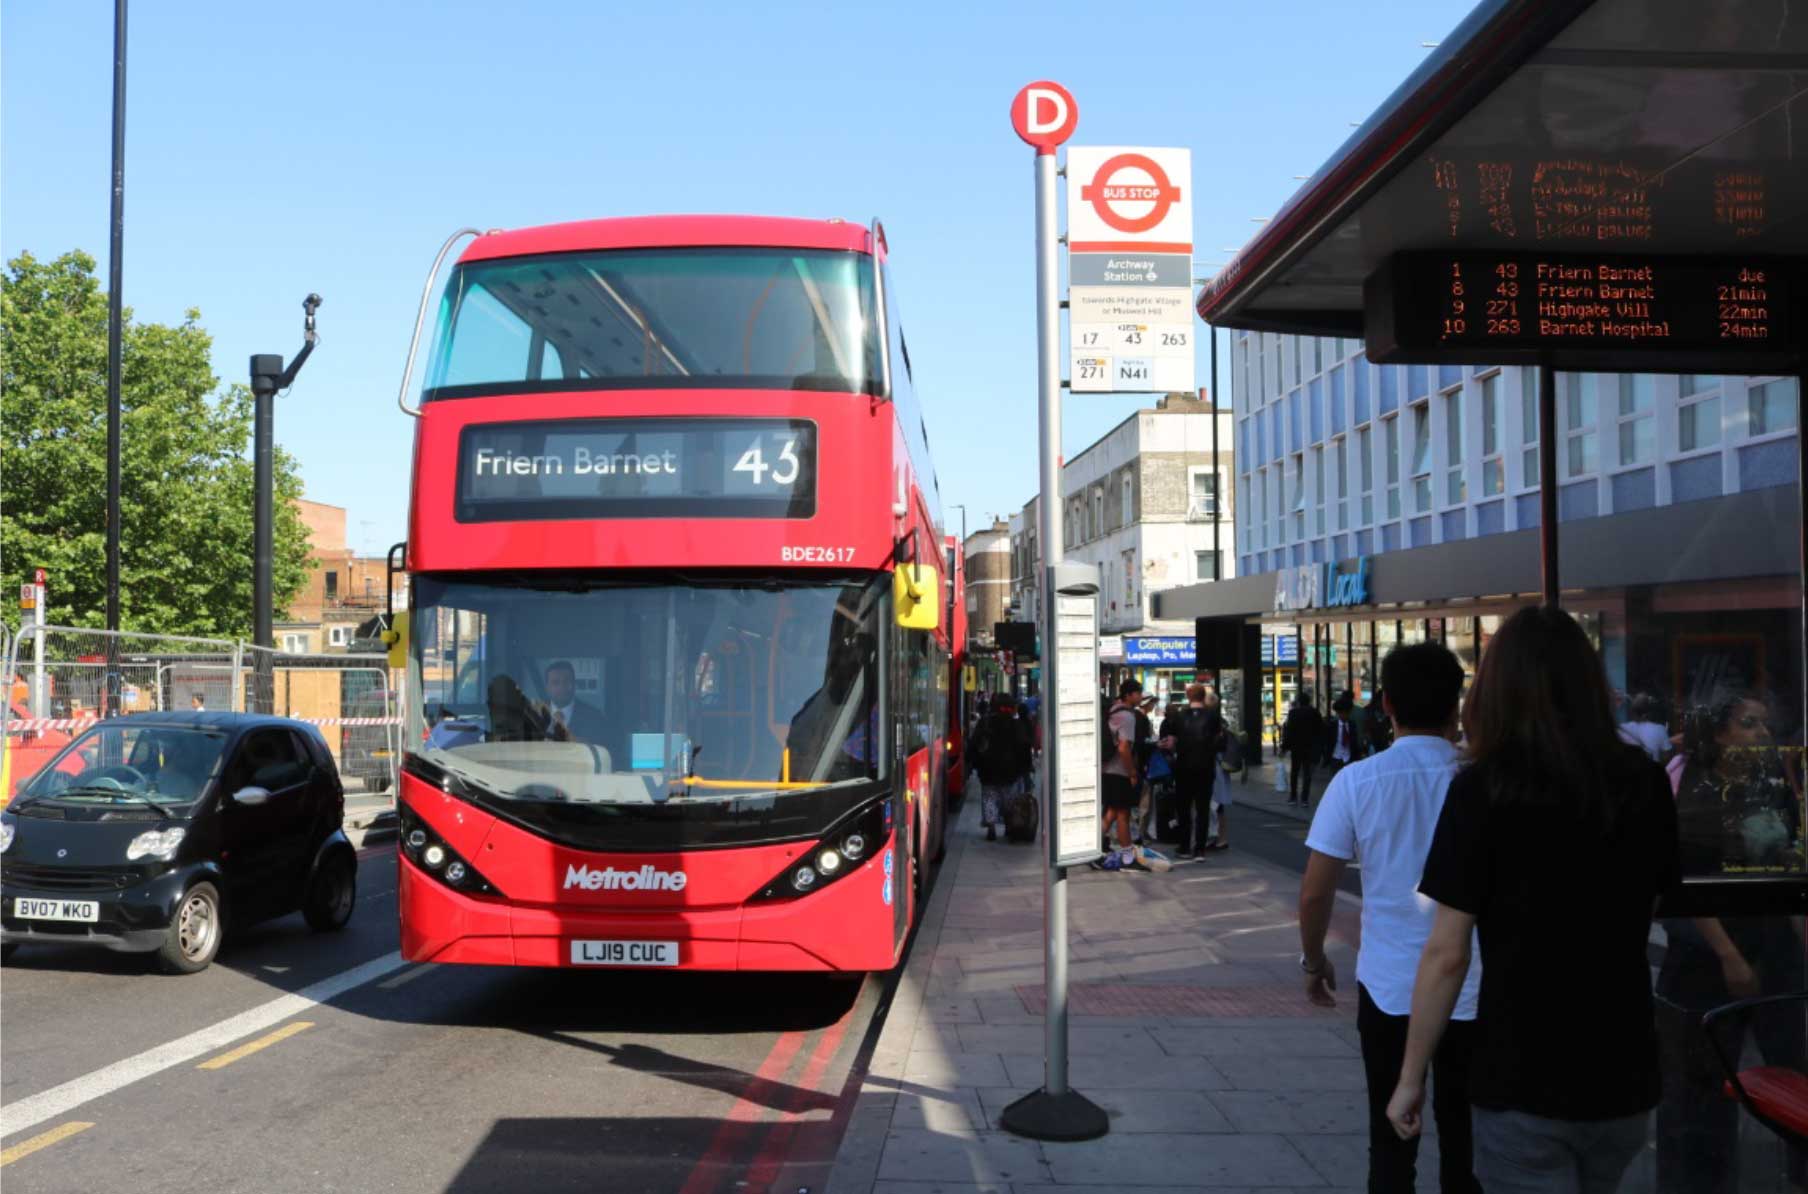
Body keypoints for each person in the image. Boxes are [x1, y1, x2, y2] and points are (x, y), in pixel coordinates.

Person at [1386, 606, 1679, 1192]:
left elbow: (1448, 951)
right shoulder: (1643, 780)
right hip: (1622, 1068)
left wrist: (1411, 1076)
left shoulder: (1484, 788)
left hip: (1522, 1071)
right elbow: (1647, 908)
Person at [1299, 642, 1479, 1194]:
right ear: (1457, 705)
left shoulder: (1357, 781)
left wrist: (1313, 961)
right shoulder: (1484, 779)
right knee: (1468, 1148)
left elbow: (1314, 892)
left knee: (1390, 1145)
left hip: (1390, 989)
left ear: (1385, 703)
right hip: (1478, 991)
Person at [1655, 688, 1805, 1194]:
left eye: (1764, 724)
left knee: (1792, 1074)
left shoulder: (1770, 786)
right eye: (1748, 724)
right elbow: (1686, 881)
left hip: (1773, 948)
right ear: (1718, 733)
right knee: (1700, 1091)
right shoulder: (1690, 791)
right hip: (1707, 956)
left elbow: (1788, 877)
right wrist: (1728, 954)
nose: (1761, 734)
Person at [1168, 683, 1225, 858]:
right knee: (1203, 808)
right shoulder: (1213, 716)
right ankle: (1200, 848)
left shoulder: (1179, 716)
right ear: (1203, 696)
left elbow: (1172, 742)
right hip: (1205, 767)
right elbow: (1220, 741)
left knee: (1184, 807)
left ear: (1188, 696)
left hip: (1183, 767)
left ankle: (1184, 846)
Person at [971, 695, 1032, 842]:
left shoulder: (985, 722)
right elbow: (1024, 747)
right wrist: (1026, 766)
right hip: (1011, 770)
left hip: (988, 769)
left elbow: (974, 744)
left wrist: (974, 762)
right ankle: (1008, 825)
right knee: (1009, 800)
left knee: (989, 798)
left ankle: (991, 826)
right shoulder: (1016, 725)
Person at [1100, 679, 1142, 853]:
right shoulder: (1127, 717)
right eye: (1138, 693)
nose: (1140, 697)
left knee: (1111, 812)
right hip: (1119, 771)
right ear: (1128, 695)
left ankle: (1092, 847)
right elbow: (1124, 747)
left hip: (1107, 768)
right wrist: (1132, 772)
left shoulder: (1112, 710)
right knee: (1123, 813)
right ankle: (1127, 855)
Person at [544, 660, 608, 745]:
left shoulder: (594, 718)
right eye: (555, 683)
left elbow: (605, 751)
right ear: (547, 687)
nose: (562, 687)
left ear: (574, 684)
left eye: (567, 681)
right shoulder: (532, 714)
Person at [1281, 694, 1326, 807]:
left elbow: (1289, 732)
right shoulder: (1315, 712)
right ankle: (1304, 798)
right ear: (1309, 701)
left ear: (1299, 702)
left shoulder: (1293, 713)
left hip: (1296, 748)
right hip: (1310, 747)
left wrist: (1284, 748)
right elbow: (1321, 731)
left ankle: (1293, 797)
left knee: (1294, 772)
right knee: (1307, 773)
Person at [1618, 692, 1670, 762]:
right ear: (1649, 712)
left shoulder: (1622, 728)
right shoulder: (1660, 729)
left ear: (1632, 711)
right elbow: (1666, 757)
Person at [1325, 692, 1360, 783]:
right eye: (1341, 713)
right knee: (1335, 781)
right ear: (1338, 713)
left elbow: (1354, 741)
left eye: (1346, 713)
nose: (1344, 715)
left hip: (1349, 758)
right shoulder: (1332, 726)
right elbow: (1328, 742)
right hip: (1335, 757)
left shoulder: (1352, 725)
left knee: (1349, 781)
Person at [1363, 687, 1393, 756]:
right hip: (1372, 743)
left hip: (1384, 743)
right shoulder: (1368, 711)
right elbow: (1365, 729)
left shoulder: (1388, 713)